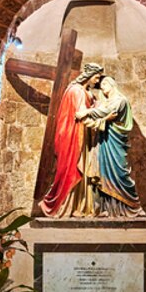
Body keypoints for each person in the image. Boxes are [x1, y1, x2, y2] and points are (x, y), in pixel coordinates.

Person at [38, 62, 103, 217]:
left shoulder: (83, 91)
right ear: (88, 76)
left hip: (82, 134)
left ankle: (78, 207)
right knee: (71, 170)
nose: (97, 81)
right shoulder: (76, 91)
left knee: (81, 169)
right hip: (74, 136)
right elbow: (81, 113)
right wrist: (100, 109)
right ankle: (62, 208)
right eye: (96, 77)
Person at [75, 76, 145, 218]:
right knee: (102, 174)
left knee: (120, 174)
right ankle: (105, 208)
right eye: (101, 85)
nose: (102, 87)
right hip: (103, 143)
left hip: (115, 143)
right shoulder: (105, 102)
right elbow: (103, 114)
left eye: (105, 84)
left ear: (112, 84)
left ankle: (133, 206)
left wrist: (87, 112)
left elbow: (105, 112)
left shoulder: (121, 101)